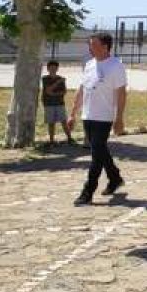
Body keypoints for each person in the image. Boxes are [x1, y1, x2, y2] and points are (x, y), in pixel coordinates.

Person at [68, 33, 128, 205]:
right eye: (90, 44)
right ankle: (115, 178)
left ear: (105, 46)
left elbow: (122, 93)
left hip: (104, 116)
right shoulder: (89, 64)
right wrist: (73, 113)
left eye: (94, 44)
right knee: (100, 150)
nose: (90, 48)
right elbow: (81, 90)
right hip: (88, 115)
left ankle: (88, 191)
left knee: (96, 154)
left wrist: (119, 118)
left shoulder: (116, 66)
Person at [40, 61, 74, 146]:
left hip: (60, 103)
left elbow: (64, 91)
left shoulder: (61, 78)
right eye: (51, 68)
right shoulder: (45, 78)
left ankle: (69, 138)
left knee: (64, 121)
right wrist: (58, 83)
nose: (53, 70)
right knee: (51, 123)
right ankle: (51, 140)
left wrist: (54, 93)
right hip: (48, 104)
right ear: (48, 68)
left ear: (57, 68)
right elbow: (48, 91)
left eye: (55, 68)